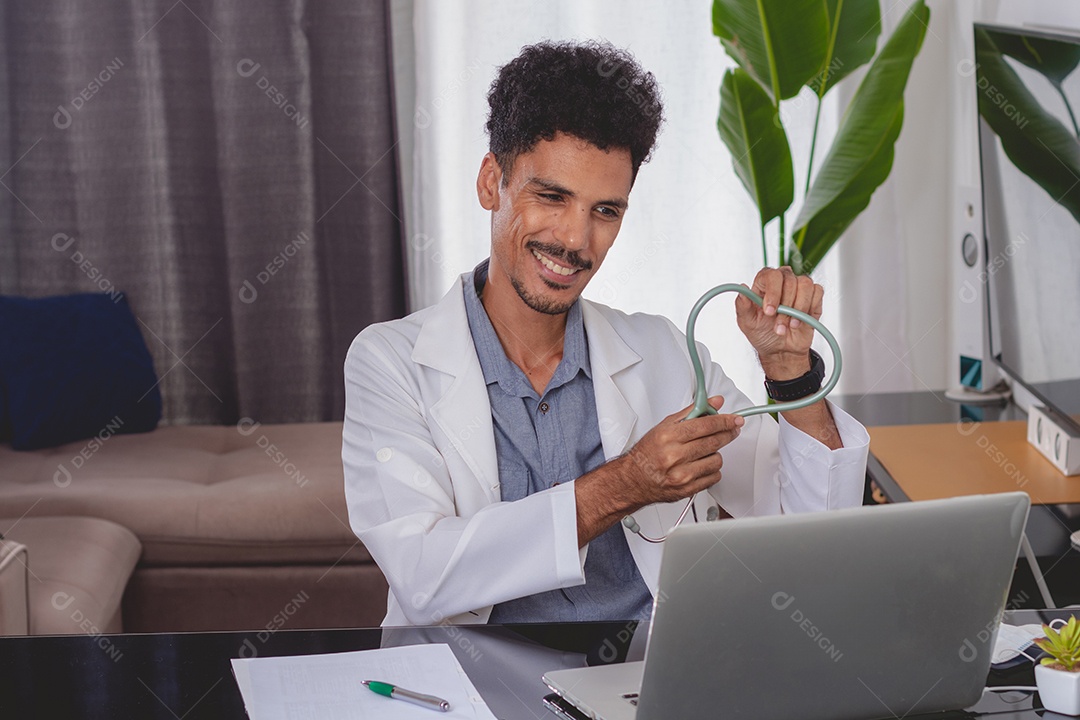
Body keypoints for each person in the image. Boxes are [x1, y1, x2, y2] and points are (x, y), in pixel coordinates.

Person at [343, 40, 869, 627]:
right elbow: (423, 575)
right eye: (552, 197)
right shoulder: (389, 362)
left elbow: (810, 534)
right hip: (472, 675)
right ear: (492, 182)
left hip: (646, 671)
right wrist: (626, 484)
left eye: (605, 211)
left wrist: (790, 372)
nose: (575, 239)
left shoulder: (664, 354)